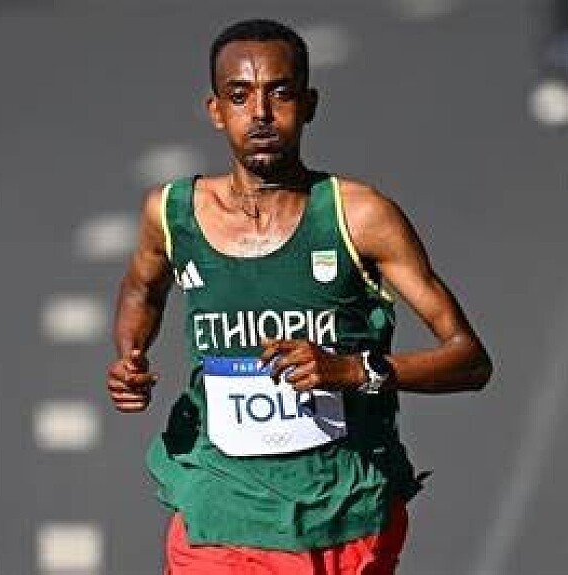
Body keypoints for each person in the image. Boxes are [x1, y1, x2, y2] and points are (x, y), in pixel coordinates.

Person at [106, 18, 493, 574]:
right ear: (216, 110)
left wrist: (354, 371)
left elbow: (470, 360)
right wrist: (131, 355)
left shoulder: (359, 216)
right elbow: (141, 289)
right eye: (240, 96)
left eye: (280, 93)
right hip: (219, 505)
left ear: (309, 105)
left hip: (344, 510)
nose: (261, 113)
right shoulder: (172, 213)